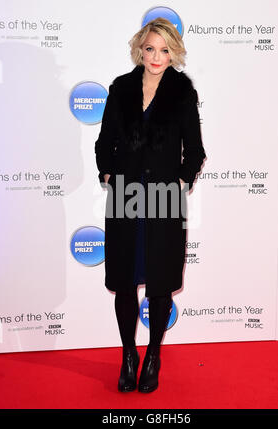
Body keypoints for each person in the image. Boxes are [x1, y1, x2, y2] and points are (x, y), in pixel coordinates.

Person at [95, 17, 206, 393]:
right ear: (139, 49)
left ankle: (153, 355)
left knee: (159, 284)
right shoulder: (121, 88)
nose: (156, 57)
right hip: (126, 197)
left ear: (173, 53)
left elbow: (195, 151)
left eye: (164, 50)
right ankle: (129, 355)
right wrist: (109, 175)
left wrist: (180, 182)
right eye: (150, 48)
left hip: (163, 200)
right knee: (125, 282)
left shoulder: (182, 92)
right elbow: (103, 143)